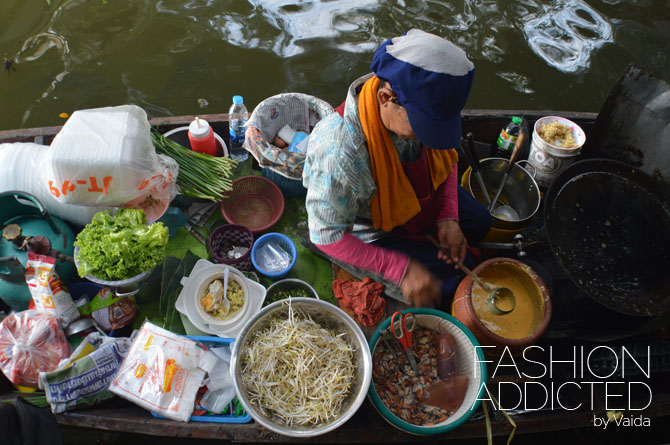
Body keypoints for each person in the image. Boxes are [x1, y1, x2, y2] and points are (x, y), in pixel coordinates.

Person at [302, 29, 492, 309]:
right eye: (423, 128)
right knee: (448, 286)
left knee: (481, 223)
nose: (429, 138)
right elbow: (327, 236)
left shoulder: (420, 106)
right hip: (372, 227)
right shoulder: (339, 155)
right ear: (385, 98)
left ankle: (430, 237)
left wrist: (448, 216)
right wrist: (400, 269)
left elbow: (445, 157)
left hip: (417, 197)